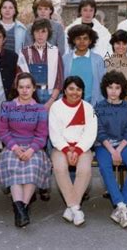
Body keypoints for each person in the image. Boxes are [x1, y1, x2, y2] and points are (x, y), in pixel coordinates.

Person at [0, 73, 51, 228]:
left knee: (32, 169)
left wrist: (31, 150)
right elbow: (3, 131)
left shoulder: (40, 109)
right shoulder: (7, 107)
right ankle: (22, 212)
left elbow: (42, 135)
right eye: (21, 87)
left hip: (33, 148)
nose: (25, 90)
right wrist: (15, 148)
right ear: (17, 88)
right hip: (12, 146)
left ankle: (21, 210)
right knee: (14, 169)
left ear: (34, 88)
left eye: (28, 87)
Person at [94, 71, 127, 228]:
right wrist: (112, 150)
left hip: (123, 144)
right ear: (104, 88)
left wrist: (119, 149)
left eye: (117, 88)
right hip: (104, 145)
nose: (113, 91)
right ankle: (120, 204)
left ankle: (124, 202)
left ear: (122, 90)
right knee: (105, 167)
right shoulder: (99, 107)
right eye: (110, 87)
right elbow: (99, 131)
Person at [49, 76, 97, 226]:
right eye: (71, 88)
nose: (74, 92)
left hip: (82, 147)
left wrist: (77, 150)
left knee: (84, 170)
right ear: (64, 90)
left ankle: (71, 208)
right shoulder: (56, 107)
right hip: (60, 147)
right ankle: (76, 208)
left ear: (82, 91)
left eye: (78, 89)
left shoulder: (88, 107)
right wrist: (66, 149)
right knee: (60, 168)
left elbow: (90, 133)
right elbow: (54, 133)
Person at [18, 19, 64, 110]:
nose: (40, 35)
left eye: (43, 31)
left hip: (51, 94)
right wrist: (29, 98)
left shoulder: (55, 51)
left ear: (49, 33)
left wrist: (51, 101)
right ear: (33, 33)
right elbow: (20, 76)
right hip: (31, 94)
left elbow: (59, 79)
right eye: (37, 31)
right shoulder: (24, 52)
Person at [63, 24, 106, 106]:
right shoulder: (65, 59)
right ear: (73, 40)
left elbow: (102, 84)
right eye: (78, 38)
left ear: (90, 41)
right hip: (69, 103)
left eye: (85, 38)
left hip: (92, 104)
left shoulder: (98, 60)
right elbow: (62, 84)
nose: (82, 41)